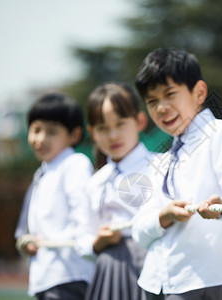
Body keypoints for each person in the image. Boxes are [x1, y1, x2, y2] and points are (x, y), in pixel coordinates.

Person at [131, 48, 222, 300]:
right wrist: (163, 216)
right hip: (153, 281)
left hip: (199, 280)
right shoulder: (162, 156)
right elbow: (138, 229)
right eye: (152, 101)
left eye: (170, 94)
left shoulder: (221, 134)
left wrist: (220, 209)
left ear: (199, 93)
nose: (161, 107)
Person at [14, 93, 95, 299]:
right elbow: (29, 223)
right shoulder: (42, 172)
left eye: (51, 132)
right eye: (36, 130)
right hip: (47, 274)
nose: (41, 139)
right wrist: (26, 240)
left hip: (69, 274)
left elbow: (83, 214)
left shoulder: (75, 164)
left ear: (74, 135)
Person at [79, 82, 151, 300]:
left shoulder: (161, 167)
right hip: (108, 269)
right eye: (102, 128)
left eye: (120, 124)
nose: (112, 135)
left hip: (151, 265)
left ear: (139, 121)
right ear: (91, 132)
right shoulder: (95, 182)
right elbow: (82, 237)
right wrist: (98, 242)